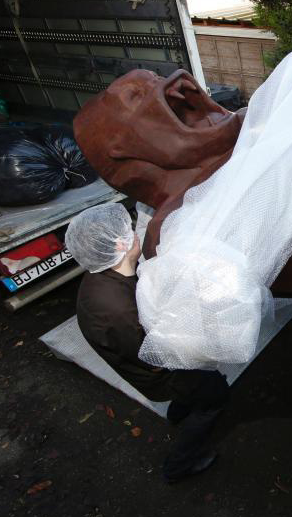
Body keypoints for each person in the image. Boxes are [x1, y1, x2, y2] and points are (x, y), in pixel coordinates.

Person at [66, 203, 230, 484]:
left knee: (193, 395)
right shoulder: (116, 310)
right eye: (129, 229)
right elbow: (155, 355)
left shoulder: (106, 275)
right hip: (162, 376)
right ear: (121, 243)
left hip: (152, 366)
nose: (135, 231)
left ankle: (178, 413)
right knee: (215, 397)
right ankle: (179, 465)